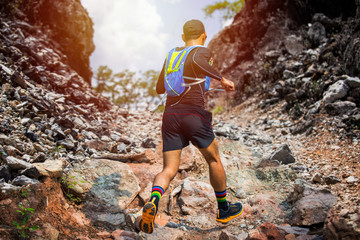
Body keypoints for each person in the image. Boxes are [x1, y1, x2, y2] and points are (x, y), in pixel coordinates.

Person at [139, 19, 242, 234]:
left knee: (168, 169)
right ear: (204, 35)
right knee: (213, 159)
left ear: (183, 37)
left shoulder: (171, 56)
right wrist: (221, 79)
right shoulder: (201, 51)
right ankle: (224, 209)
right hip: (193, 114)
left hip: (170, 116)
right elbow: (200, 62)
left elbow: (160, 88)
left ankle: (154, 201)